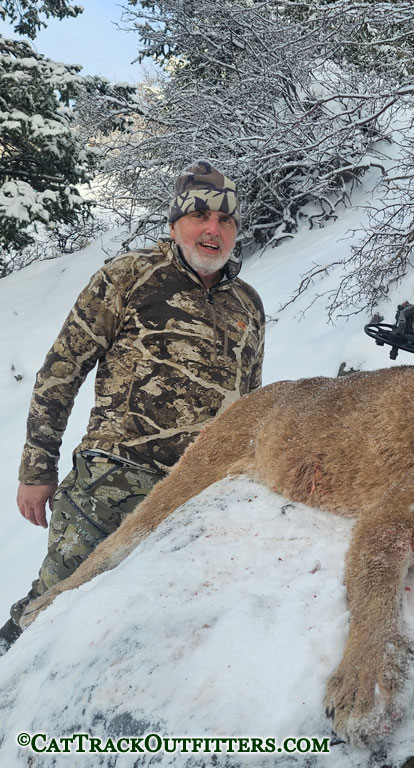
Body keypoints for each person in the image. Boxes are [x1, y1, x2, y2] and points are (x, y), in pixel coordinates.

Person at [0, 162, 265, 654]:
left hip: (198, 502)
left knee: (145, 636)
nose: (213, 229)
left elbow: (250, 407)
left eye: (226, 221)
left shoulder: (247, 304)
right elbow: (60, 373)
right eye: (200, 215)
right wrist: (37, 470)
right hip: (110, 491)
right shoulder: (128, 277)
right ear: (174, 224)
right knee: (46, 616)